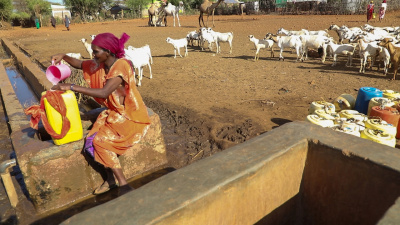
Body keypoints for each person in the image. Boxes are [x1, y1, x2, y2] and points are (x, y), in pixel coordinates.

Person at [50, 32, 151, 195]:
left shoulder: (122, 66)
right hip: (113, 111)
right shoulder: (99, 64)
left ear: (108, 51)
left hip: (129, 114)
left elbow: (104, 92)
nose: (93, 55)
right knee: (90, 142)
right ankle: (110, 180)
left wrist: (71, 87)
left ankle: (123, 183)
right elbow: (81, 64)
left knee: (100, 142)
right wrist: (64, 56)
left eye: (96, 51)